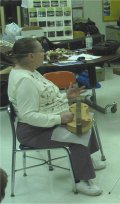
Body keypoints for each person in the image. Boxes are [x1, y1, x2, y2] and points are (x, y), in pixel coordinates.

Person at [7, 38, 106, 196]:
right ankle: (82, 180)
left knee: (84, 118)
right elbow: (29, 115)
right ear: (31, 56)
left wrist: (65, 97)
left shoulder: (31, 71)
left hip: (45, 123)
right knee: (78, 133)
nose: (44, 53)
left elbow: (45, 99)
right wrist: (60, 119)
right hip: (33, 131)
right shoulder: (24, 80)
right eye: (41, 50)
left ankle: (86, 160)